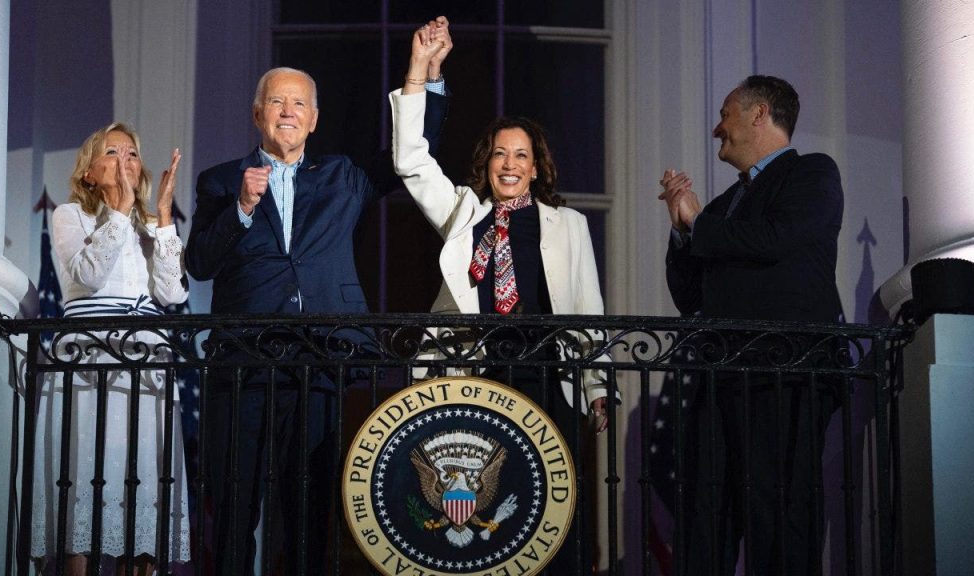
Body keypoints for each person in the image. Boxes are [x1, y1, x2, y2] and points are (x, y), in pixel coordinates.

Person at [184, 19, 451, 575]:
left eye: (299, 103)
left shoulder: (342, 176)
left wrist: (421, 74)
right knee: (234, 507)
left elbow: (412, 153)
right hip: (243, 365)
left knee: (309, 512)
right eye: (276, 101)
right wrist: (241, 209)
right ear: (256, 114)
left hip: (320, 361)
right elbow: (199, 263)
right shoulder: (220, 180)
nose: (287, 111)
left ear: (314, 119)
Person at [391, 20, 612, 575]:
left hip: (547, 378)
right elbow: (411, 162)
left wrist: (597, 385)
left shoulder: (568, 225)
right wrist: (418, 73)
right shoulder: (465, 214)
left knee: (550, 511)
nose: (509, 164)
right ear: (486, 165)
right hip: (476, 378)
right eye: (499, 155)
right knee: (482, 519)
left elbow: (588, 308)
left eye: (520, 156)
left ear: (536, 167)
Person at [659, 75, 844, 575]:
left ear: (759, 113)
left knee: (779, 516)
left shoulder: (811, 173)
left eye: (725, 114)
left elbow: (777, 238)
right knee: (704, 520)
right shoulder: (724, 205)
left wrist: (699, 224)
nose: (717, 128)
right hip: (721, 379)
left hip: (786, 375)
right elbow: (690, 297)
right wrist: (681, 233)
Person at [32, 123, 190, 575]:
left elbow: (173, 293)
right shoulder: (70, 216)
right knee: (84, 477)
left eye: (132, 154)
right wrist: (119, 211)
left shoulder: (150, 227)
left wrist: (163, 218)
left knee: (142, 485)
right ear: (89, 172)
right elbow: (88, 275)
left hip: (146, 366)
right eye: (113, 152)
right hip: (89, 362)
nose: (125, 160)